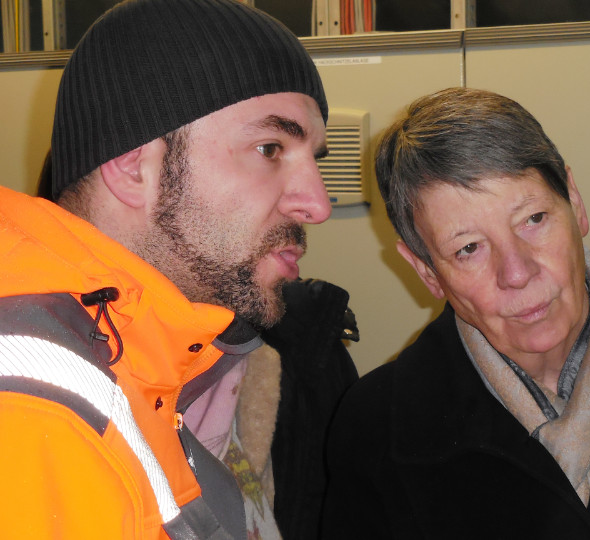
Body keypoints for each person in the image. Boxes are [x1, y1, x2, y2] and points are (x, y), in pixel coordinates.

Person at [0, 0, 356, 538]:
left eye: (313, 158)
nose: (318, 205)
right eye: (270, 148)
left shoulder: (137, 370)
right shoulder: (37, 405)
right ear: (133, 169)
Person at [321, 87, 590, 539]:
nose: (516, 272)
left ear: (575, 203)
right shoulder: (373, 430)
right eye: (469, 248)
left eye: (533, 220)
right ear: (427, 272)